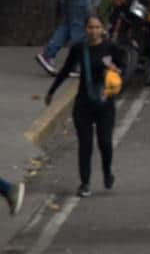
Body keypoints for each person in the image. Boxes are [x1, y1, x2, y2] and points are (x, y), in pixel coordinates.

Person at [45, 13, 124, 197]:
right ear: (85, 29)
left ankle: (107, 171)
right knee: (85, 144)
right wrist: (51, 91)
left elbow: (124, 65)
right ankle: (85, 182)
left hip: (105, 102)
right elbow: (65, 70)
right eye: (90, 27)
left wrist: (116, 71)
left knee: (105, 142)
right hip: (84, 102)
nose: (94, 31)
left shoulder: (111, 47)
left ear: (102, 29)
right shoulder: (79, 49)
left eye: (97, 27)